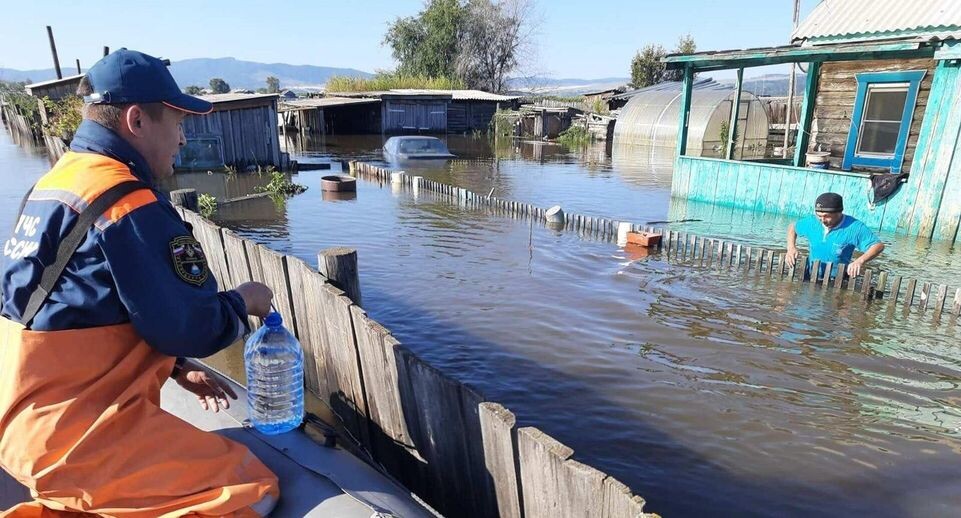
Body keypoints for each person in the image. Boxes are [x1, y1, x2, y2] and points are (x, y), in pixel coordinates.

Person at [0, 49, 279, 516]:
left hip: (22, 421)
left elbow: (65, 308)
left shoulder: (53, 184)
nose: (184, 139)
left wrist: (172, 368)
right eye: (177, 123)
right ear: (137, 121)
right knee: (251, 487)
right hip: (77, 438)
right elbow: (190, 324)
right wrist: (243, 302)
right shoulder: (128, 202)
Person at [785, 192, 885, 278]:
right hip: (810, 276)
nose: (822, 220)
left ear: (839, 213)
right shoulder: (812, 222)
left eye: (826, 216)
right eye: (819, 216)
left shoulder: (854, 227)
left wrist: (859, 261)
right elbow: (792, 227)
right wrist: (791, 248)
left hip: (836, 280)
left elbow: (878, 246)